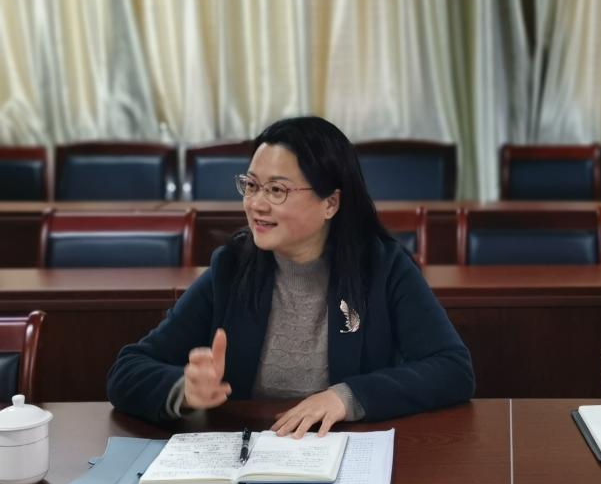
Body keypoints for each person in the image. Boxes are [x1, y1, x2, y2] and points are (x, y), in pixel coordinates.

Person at [108, 116, 474, 435]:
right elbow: (127, 370)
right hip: (251, 459)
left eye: (276, 190)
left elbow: (453, 369)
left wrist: (347, 397)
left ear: (330, 203)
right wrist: (184, 390)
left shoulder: (383, 267)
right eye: (252, 185)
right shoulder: (232, 268)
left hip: (344, 454)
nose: (256, 204)